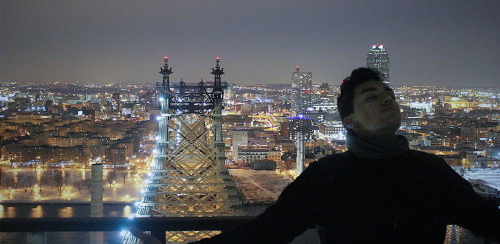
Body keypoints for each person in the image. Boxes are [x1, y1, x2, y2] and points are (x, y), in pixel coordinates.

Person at [131, 68, 500, 244]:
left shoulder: (432, 170)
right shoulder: (328, 176)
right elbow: (264, 235)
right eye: (372, 96)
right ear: (350, 121)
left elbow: (486, 221)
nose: (387, 99)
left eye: (388, 93)